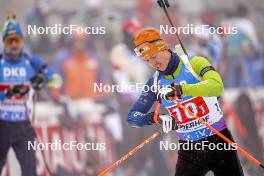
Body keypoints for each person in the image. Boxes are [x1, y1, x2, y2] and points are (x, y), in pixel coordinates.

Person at [127, 28, 244, 176]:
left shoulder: (194, 63)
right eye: (147, 60)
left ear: (163, 48)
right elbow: (132, 117)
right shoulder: (155, 83)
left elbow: (217, 87)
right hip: (189, 149)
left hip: (219, 141)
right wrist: (156, 117)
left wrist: (180, 89)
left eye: (154, 56)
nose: (153, 63)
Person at [0, 15, 61, 176]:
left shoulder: (31, 61)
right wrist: (9, 92)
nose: (14, 45)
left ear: (22, 41)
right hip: (2, 126)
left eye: (17, 40)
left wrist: (43, 80)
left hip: (24, 127)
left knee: (30, 172)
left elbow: (57, 80)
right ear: (4, 42)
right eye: (9, 41)